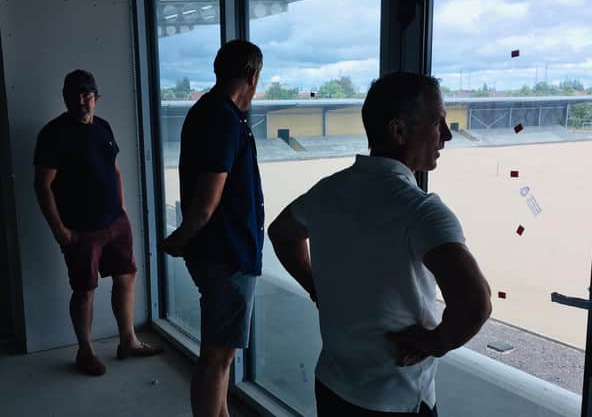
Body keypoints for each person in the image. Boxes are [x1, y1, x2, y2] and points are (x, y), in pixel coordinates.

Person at [268, 72, 492, 416]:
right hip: (395, 397)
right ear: (399, 131)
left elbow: (281, 233)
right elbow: (475, 304)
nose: (446, 134)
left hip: (332, 385)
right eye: (438, 121)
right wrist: (435, 342)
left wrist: (316, 288)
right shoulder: (421, 211)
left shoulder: (327, 191)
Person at [33, 70, 163, 376]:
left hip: (116, 222)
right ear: (65, 98)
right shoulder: (54, 134)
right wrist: (59, 229)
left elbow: (114, 170)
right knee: (85, 289)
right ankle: (85, 351)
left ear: (97, 97)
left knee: (126, 276)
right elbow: (42, 185)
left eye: (87, 94)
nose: (81, 101)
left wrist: (122, 210)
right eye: (75, 95)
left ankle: (128, 341)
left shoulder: (103, 127)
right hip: (80, 229)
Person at [160, 40, 263, 417]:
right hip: (227, 254)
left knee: (221, 355)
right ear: (252, 76)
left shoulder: (205, 111)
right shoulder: (223, 119)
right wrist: (180, 240)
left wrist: (185, 242)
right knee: (218, 357)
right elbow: (207, 203)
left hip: (216, 252)